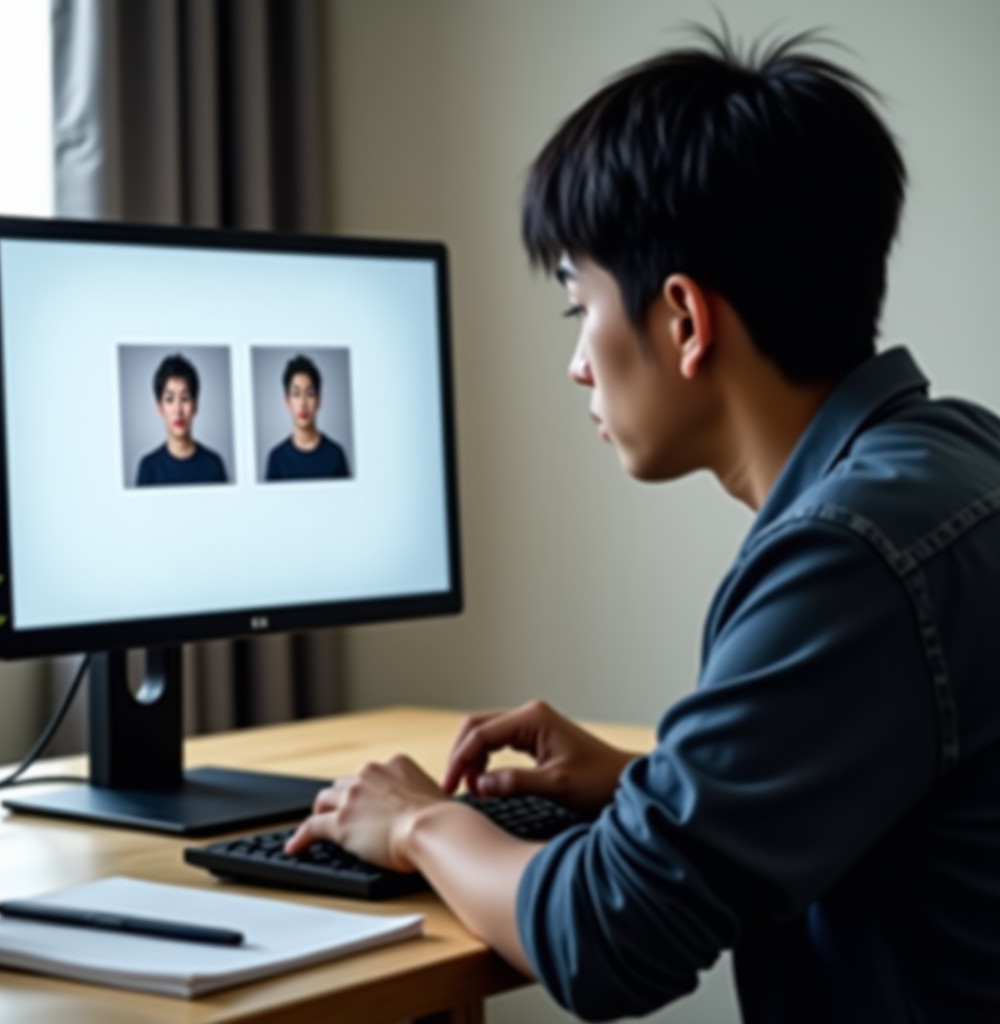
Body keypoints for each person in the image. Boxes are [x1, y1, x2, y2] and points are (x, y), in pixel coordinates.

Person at [283, 26, 1000, 1024]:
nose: (578, 361)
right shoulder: (956, 456)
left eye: (578, 304)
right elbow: (892, 792)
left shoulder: (845, 556)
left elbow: (608, 938)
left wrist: (420, 825)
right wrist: (642, 781)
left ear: (684, 321)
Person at [135, 354, 229, 486]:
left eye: (185, 398)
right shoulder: (148, 467)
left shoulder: (213, 464)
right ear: (160, 408)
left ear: (195, 406)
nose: (178, 410)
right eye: (169, 399)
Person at [264, 354, 351, 481]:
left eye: (310, 394)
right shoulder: (276, 458)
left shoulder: (336, 454)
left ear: (319, 400)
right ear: (287, 402)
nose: (303, 403)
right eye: (296, 394)